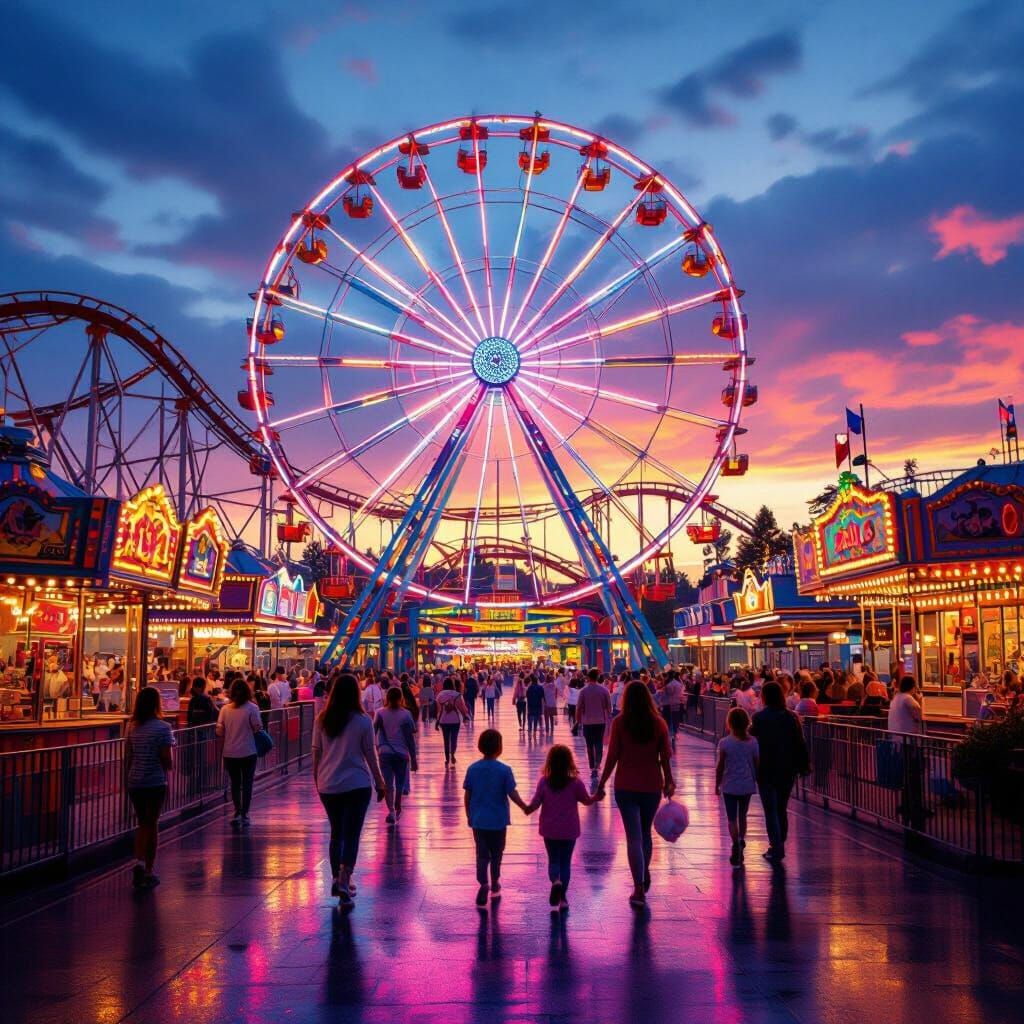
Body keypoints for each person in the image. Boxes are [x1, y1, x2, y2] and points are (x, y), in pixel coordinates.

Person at [596, 681, 675, 908]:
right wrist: (669, 780)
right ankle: (644, 870)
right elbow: (665, 757)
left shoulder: (620, 723)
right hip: (651, 785)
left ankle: (638, 886)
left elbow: (612, 757)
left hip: (625, 785)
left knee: (633, 837)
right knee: (645, 833)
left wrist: (601, 783)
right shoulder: (658, 723)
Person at [313, 673, 388, 906]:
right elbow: (370, 755)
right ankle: (345, 878)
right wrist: (380, 781)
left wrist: (318, 780)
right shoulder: (363, 721)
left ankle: (336, 877)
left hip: (328, 784)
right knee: (352, 833)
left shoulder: (322, 719)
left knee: (336, 832)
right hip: (357, 784)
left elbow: (316, 753)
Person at [524, 744, 599, 912]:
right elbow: (586, 801)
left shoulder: (544, 782)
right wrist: (596, 797)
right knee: (566, 862)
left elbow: (535, 803)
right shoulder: (575, 783)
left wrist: (527, 808)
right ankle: (563, 898)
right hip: (569, 830)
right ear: (569, 762)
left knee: (554, 860)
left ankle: (555, 881)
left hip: (550, 830)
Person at [463, 729, 528, 906]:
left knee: (481, 854)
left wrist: (469, 814)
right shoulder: (504, 770)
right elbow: (511, 793)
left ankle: (483, 883)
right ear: (499, 747)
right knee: (497, 854)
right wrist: (524, 806)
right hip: (498, 821)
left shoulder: (473, 769)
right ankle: (495, 882)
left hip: (479, 820)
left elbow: (468, 794)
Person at [750, 681, 809, 863]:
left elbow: (752, 740)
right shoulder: (791, 717)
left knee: (770, 809)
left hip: (766, 768)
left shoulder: (759, 718)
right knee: (781, 807)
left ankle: (776, 845)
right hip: (787, 767)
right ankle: (779, 842)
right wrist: (804, 765)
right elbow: (800, 742)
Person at [124, 686, 174, 888]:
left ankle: (138, 860)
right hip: (154, 781)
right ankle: (149, 869)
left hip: (135, 781)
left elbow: (128, 755)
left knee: (142, 823)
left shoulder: (132, 726)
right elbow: (166, 759)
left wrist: (126, 778)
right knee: (152, 825)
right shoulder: (163, 728)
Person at [216, 678, 264, 828]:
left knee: (235, 783)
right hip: (249, 751)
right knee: (247, 782)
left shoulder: (225, 709)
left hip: (230, 752)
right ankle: (245, 813)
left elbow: (219, 730)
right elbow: (257, 727)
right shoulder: (252, 708)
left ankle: (237, 811)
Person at [715, 707, 759, 867]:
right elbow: (756, 763)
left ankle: (735, 843)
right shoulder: (753, 742)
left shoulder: (725, 743)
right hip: (746, 783)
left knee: (731, 818)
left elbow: (720, 766)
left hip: (729, 784)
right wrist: (757, 779)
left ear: (730, 723)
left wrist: (716, 784)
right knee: (743, 815)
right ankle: (741, 839)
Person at [375, 686, 417, 823]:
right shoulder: (406, 715)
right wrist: (414, 758)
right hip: (401, 753)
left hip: (384, 753)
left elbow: (373, 732)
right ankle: (398, 804)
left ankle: (391, 811)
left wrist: (376, 748)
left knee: (388, 784)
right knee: (399, 783)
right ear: (401, 698)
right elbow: (410, 737)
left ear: (387, 698)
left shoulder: (380, 713)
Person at [576, 669, 612, 778]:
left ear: (588, 677)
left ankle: (592, 766)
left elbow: (579, 707)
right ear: (598, 677)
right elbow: (609, 708)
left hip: (587, 722)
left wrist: (578, 721)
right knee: (598, 743)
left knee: (589, 744)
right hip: (600, 721)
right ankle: (597, 765)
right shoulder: (604, 690)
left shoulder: (583, 691)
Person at [436, 678, 469, 767]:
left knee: (446, 740)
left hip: (443, 721)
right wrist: (465, 716)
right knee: (454, 739)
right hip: (455, 720)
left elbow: (439, 710)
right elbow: (462, 708)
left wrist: (437, 721)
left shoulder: (440, 695)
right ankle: (452, 754)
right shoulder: (457, 695)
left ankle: (447, 759)